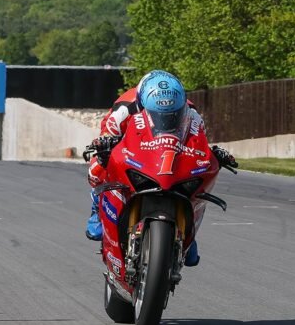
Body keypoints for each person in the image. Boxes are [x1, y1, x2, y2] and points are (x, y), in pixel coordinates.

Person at [84, 70, 237, 266]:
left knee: (194, 177)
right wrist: (104, 144)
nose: (165, 119)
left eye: (172, 114)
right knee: (98, 165)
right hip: (133, 146)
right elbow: (106, 136)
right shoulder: (124, 110)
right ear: (143, 104)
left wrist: (212, 153)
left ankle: (186, 229)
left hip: (168, 152)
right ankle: (97, 208)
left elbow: (199, 143)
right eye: (159, 114)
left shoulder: (193, 115)